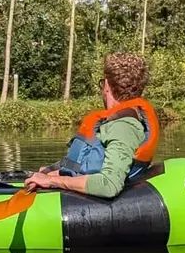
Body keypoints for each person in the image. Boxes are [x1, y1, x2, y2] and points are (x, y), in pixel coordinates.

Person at [25, 52, 159, 200]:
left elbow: (109, 185)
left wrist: (51, 181)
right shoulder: (114, 122)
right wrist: (52, 172)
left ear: (106, 85)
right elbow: (88, 163)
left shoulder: (123, 127)